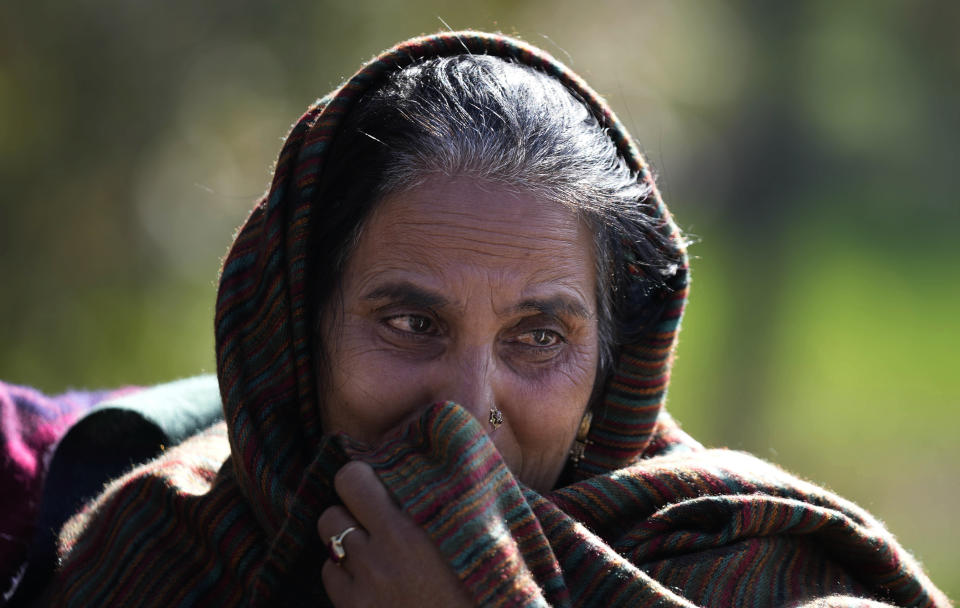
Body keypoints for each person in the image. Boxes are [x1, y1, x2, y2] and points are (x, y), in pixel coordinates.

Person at [32, 31, 948, 606]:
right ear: (298, 329)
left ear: (609, 368)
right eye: (409, 324)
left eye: (539, 339)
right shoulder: (164, 552)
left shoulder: (740, 566)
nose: (467, 408)